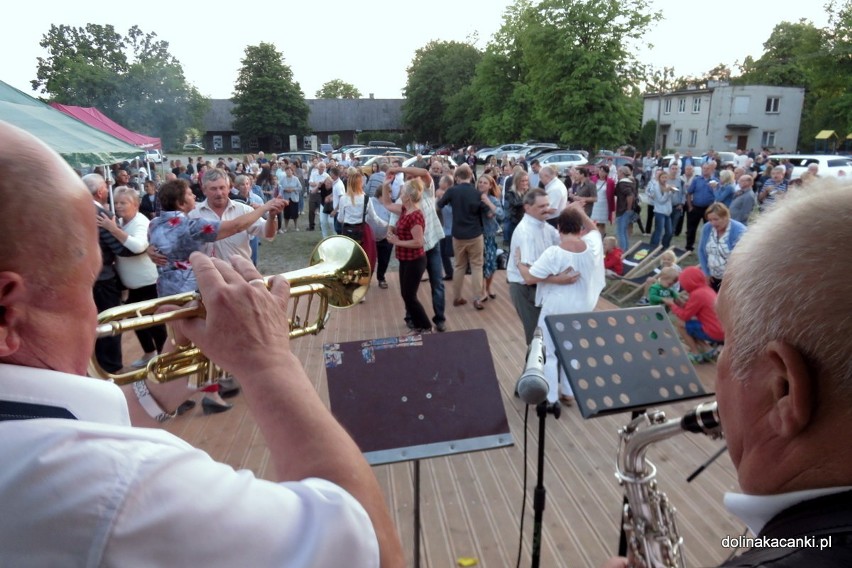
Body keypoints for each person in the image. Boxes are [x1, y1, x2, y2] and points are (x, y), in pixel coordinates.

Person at [0, 120, 405, 567]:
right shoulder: (123, 486)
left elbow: (82, 423)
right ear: (7, 314)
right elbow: (369, 546)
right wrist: (269, 362)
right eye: (86, 283)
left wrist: (159, 389)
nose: (99, 308)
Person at [517, 202, 605, 405]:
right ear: (580, 228)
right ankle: (568, 391)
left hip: (556, 307)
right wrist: (579, 210)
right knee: (571, 347)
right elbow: (593, 229)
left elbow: (529, 278)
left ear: (558, 228)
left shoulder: (554, 253)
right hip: (583, 306)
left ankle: (550, 396)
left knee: (548, 349)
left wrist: (520, 263)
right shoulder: (592, 245)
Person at [95, 186, 166, 369]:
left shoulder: (140, 221)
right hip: (131, 285)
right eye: (116, 202)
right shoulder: (119, 220)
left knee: (155, 324)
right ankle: (150, 353)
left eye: (123, 202)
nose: (118, 206)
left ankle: (164, 358)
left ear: (136, 204)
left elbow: (138, 246)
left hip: (147, 283)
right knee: (137, 322)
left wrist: (113, 230)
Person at [436, 164, 489, 310]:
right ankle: (478, 298)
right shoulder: (477, 192)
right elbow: (487, 212)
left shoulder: (452, 191)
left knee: (459, 266)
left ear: (457, 177)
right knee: (477, 266)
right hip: (475, 234)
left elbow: (439, 205)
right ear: (471, 175)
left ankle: (457, 297)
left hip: (458, 234)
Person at [383, 178, 432, 334]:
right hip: (405, 259)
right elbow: (387, 204)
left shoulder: (415, 216)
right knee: (406, 295)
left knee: (409, 295)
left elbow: (418, 242)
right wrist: (385, 185)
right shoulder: (405, 209)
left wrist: (397, 241)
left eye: (402, 192)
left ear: (408, 197)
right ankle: (419, 326)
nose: (400, 193)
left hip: (415, 260)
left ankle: (425, 326)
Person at [662, 266, 724, 363]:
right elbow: (695, 309)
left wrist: (672, 305)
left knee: (681, 324)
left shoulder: (697, 294)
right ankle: (708, 350)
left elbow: (685, 316)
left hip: (714, 331)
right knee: (691, 327)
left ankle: (695, 354)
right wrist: (683, 305)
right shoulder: (706, 290)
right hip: (721, 329)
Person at [698, 203, 747, 292]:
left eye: (716, 219)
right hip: (712, 276)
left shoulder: (739, 231)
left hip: (731, 280)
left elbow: (741, 259)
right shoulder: (707, 228)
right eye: (710, 220)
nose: (713, 223)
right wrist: (706, 273)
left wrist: (730, 278)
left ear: (726, 217)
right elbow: (701, 251)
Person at [478, 174, 505, 302]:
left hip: (490, 236)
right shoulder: (473, 197)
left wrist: (489, 203)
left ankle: (488, 287)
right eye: (480, 182)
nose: (482, 184)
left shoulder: (493, 199)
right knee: (480, 264)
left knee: (491, 264)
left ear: (490, 186)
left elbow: (501, 215)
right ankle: (482, 290)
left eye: (485, 183)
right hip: (477, 236)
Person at [646, 169, 675, 249]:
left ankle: (664, 247)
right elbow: (661, 200)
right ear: (659, 178)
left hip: (667, 212)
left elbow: (669, 200)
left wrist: (672, 192)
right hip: (659, 212)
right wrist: (667, 192)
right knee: (659, 231)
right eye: (663, 177)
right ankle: (653, 247)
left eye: (666, 177)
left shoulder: (667, 186)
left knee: (669, 232)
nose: (664, 179)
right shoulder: (656, 187)